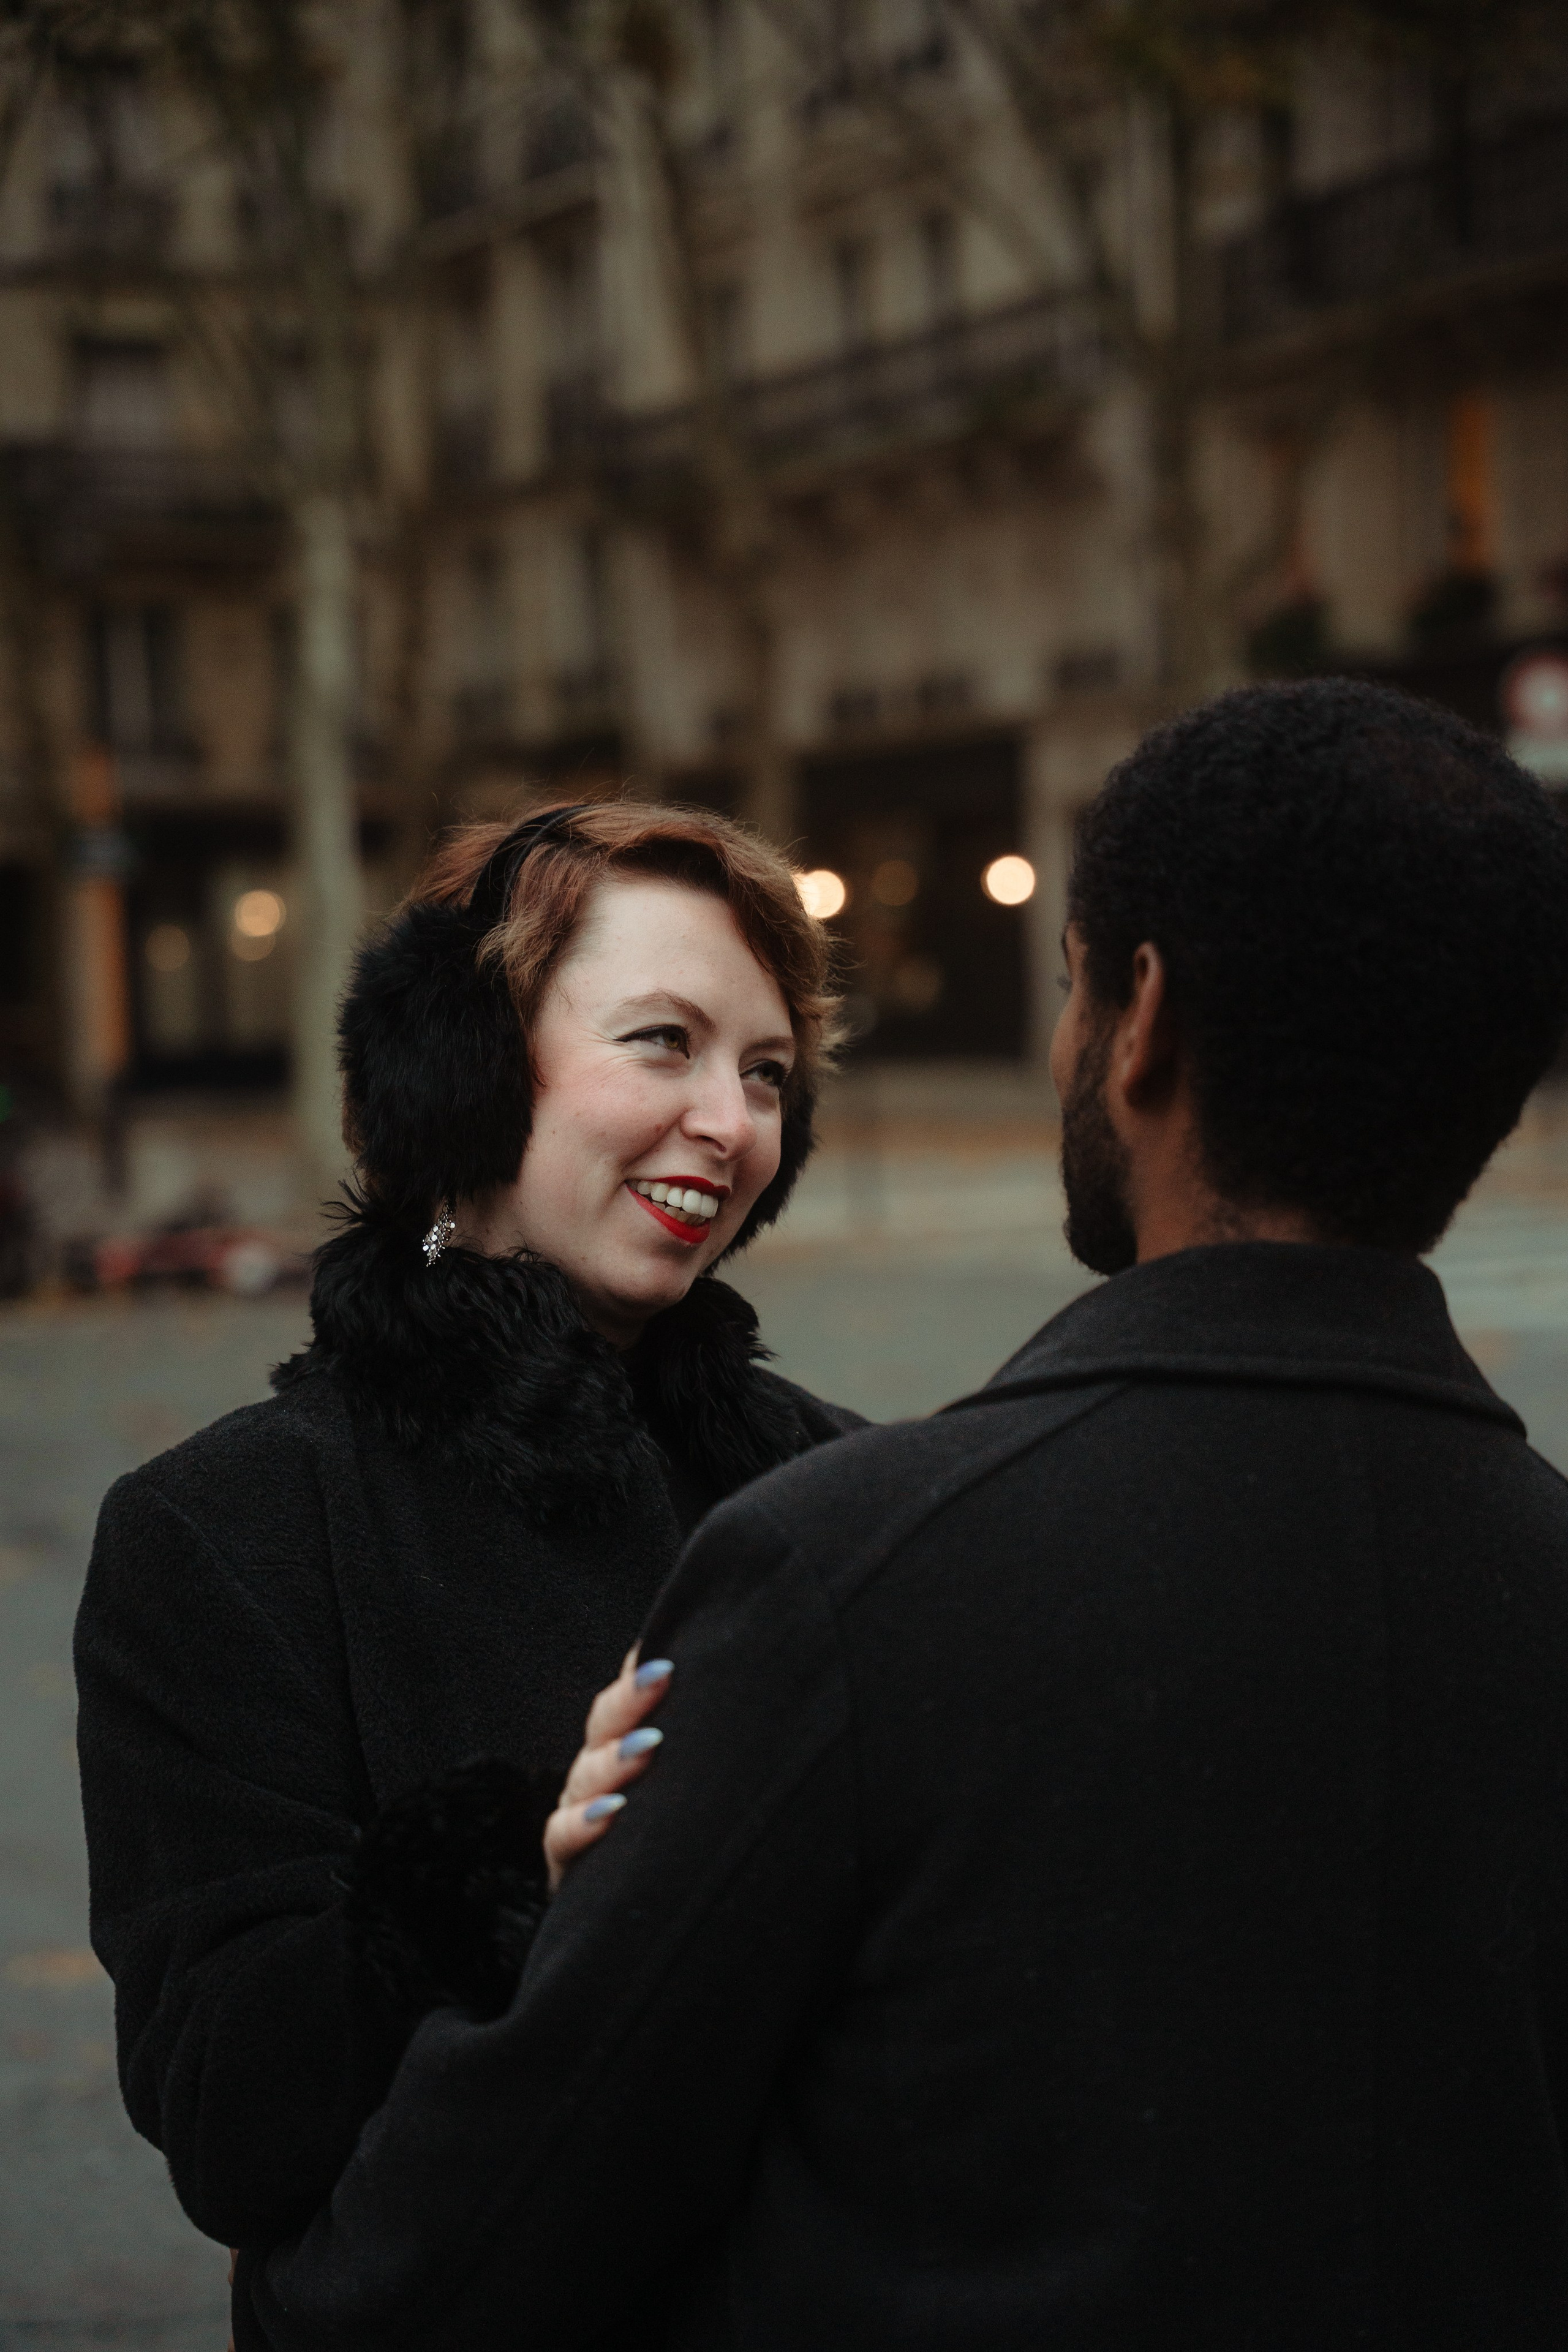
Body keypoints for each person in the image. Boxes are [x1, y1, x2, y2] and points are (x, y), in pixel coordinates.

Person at [235, 680, 1568, 2352]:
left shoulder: (849, 1573)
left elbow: (499, 2224)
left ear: (1137, 1019)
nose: (729, 1120)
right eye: (664, 1042)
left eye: (1074, 982)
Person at [73, 798, 861, 2261]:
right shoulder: (224, 1531)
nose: (730, 1119)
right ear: (463, 1080)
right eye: (661, 1042)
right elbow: (229, 2118)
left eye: (766, 1072)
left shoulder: (845, 1487)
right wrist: (513, 1887)